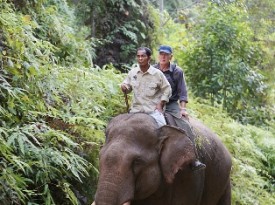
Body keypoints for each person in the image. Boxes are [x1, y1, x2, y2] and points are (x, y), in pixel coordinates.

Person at [154, 45, 206, 171]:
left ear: (171, 57)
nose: (163, 57)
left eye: (166, 55)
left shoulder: (177, 71)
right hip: (153, 102)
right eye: (161, 54)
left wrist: (183, 109)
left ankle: (193, 158)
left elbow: (182, 92)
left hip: (170, 104)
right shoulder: (153, 69)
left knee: (185, 124)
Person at [120, 47, 172, 127]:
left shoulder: (157, 74)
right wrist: (125, 87)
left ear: (149, 58)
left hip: (153, 112)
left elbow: (167, 89)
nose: (140, 58)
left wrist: (161, 103)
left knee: (162, 129)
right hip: (135, 111)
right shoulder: (133, 72)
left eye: (143, 56)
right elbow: (127, 86)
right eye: (138, 56)